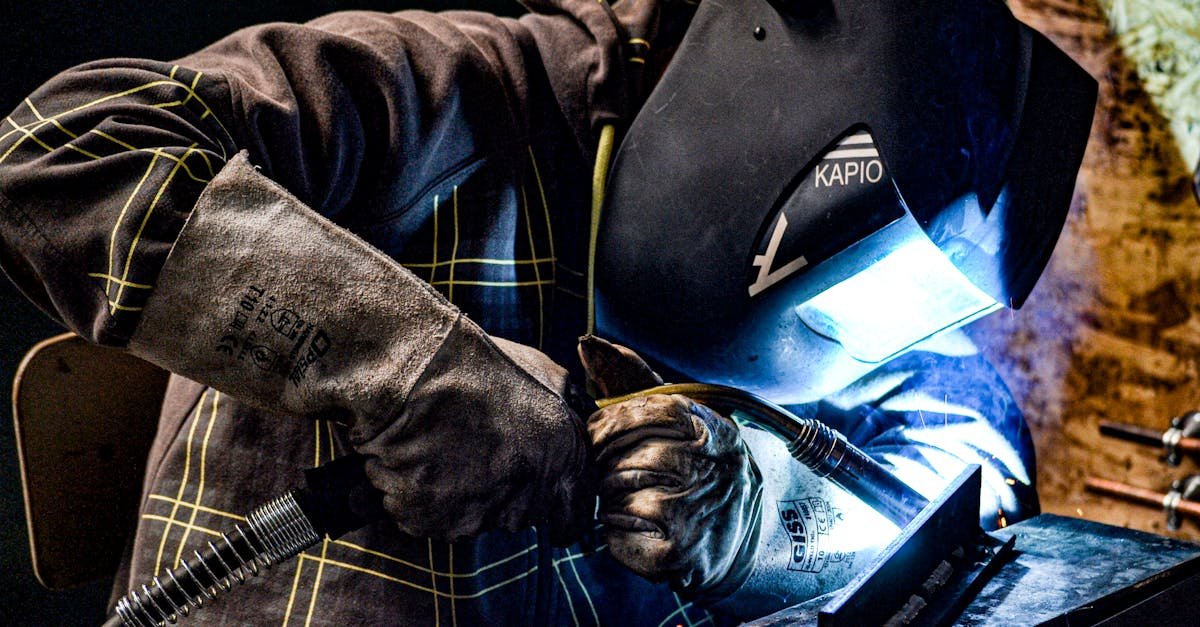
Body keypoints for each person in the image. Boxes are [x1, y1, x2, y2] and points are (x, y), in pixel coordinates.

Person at [0, 0, 1093, 623]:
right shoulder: (433, 90)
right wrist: (408, 363)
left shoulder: (880, 286)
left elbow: (978, 485)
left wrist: (761, 517)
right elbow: (57, 157)